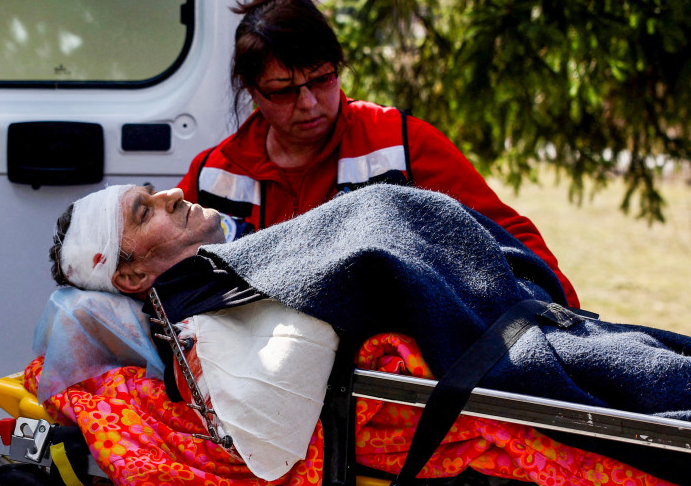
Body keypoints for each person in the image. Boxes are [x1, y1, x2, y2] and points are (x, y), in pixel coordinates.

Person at [48, 183, 691, 483]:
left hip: (504, 306)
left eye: (152, 192)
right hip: (503, 341)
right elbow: (269, 445)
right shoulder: (207, 314)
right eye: (145, 211)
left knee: (636, 361)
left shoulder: (228, 265)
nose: (169, 195)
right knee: (643, 383)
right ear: (130, 275)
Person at [175, 0, 579, 307]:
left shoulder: (401, 142)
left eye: (322, 79)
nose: (309, 103)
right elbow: (164, 271)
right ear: (253, 91)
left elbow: (509, 236)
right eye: (284, 91)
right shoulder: (213, 173)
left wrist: (563, 317)